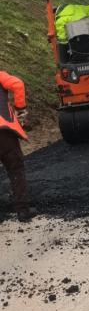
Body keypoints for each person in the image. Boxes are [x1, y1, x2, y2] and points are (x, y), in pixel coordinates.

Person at [0, 71, 33, 222]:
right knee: (15, 169)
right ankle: (23, 211)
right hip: (4, 133)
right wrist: (20, 107)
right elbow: (17, 84)